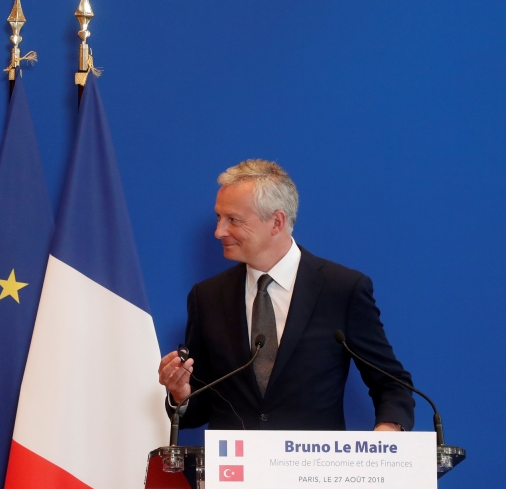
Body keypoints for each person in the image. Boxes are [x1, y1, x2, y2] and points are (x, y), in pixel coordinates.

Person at [158, 160, 414, 432]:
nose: (219, 231)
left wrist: (386, 436)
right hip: (234, 470)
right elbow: (197, 410)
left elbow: (391, 384)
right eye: (218, 218)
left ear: (276, 222)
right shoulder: (207, 296)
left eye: (233, 220)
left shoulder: (342, 289)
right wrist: (181, 393)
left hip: (316, 469)